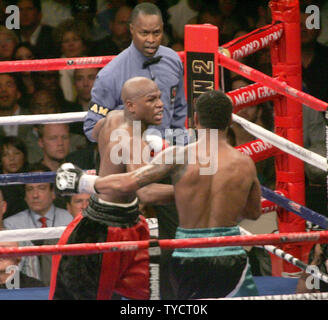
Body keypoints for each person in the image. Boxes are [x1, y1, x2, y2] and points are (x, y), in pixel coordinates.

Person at [55, 89, 261, 299]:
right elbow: (253, 212)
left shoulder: (179, 155)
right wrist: (221, 201)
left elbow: (131, 184)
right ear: (229, 120)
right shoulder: (245, 164)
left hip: (187, 254)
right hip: (229, 251)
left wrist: (83, 182)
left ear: (195, 119)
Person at [49, 76, 175, 300]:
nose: (160, 104)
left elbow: (96, 132)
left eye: (159, 97)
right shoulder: (131, 139)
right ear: (131, 106)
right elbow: (146, 192)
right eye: (151, 99)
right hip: (102, 232)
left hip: (129, 224)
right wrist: (192, 189)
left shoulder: (114, 118)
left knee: (157, 292)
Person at [84, 2, 188, 145]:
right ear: (132, 29)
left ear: (163, 29)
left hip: (168, 152)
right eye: (144, 33)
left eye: (156, 33)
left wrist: (178, 149)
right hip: (128, 156)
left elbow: (179, 110)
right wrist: (126, 118)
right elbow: (91, 129)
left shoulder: (173, 60)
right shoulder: (110, 74)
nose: (151, 40)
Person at [3, 163, 73, 286]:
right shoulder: (11, 224)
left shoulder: (69, 220)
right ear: (24, 196)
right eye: (30, 189)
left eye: (41, 188)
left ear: (53, 193)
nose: (35, 195)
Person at [0, 136, 29, 218]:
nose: (12, 158)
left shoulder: (32, 177)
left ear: (24, 156)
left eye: (16, 153)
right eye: (5, 155)